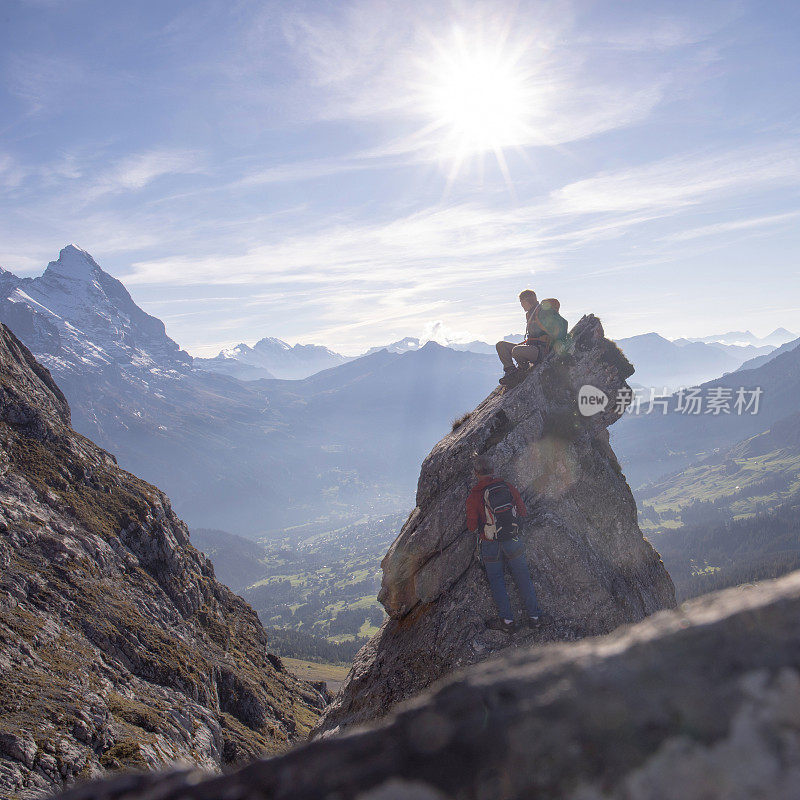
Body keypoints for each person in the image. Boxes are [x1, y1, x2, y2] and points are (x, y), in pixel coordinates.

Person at [466, 454, 543, 632]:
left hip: (490, 543)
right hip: (512, 538)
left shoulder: (474, 496)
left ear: (476, 473)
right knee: (523, 577)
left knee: (497, 580)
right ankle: (535, 617)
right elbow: (522, 511)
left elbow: (471, 526)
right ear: (493, 470)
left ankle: (508, 622)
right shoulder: (507, 487)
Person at [495, 289, 550, 386]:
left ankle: (522, 371)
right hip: (531, 347)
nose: (521, 305)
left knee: (517, 350)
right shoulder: (530, 314)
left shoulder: (542, 312)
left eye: (521, 302)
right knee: (501, 345)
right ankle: (511, 372)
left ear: (526, 301)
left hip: (541, 350)